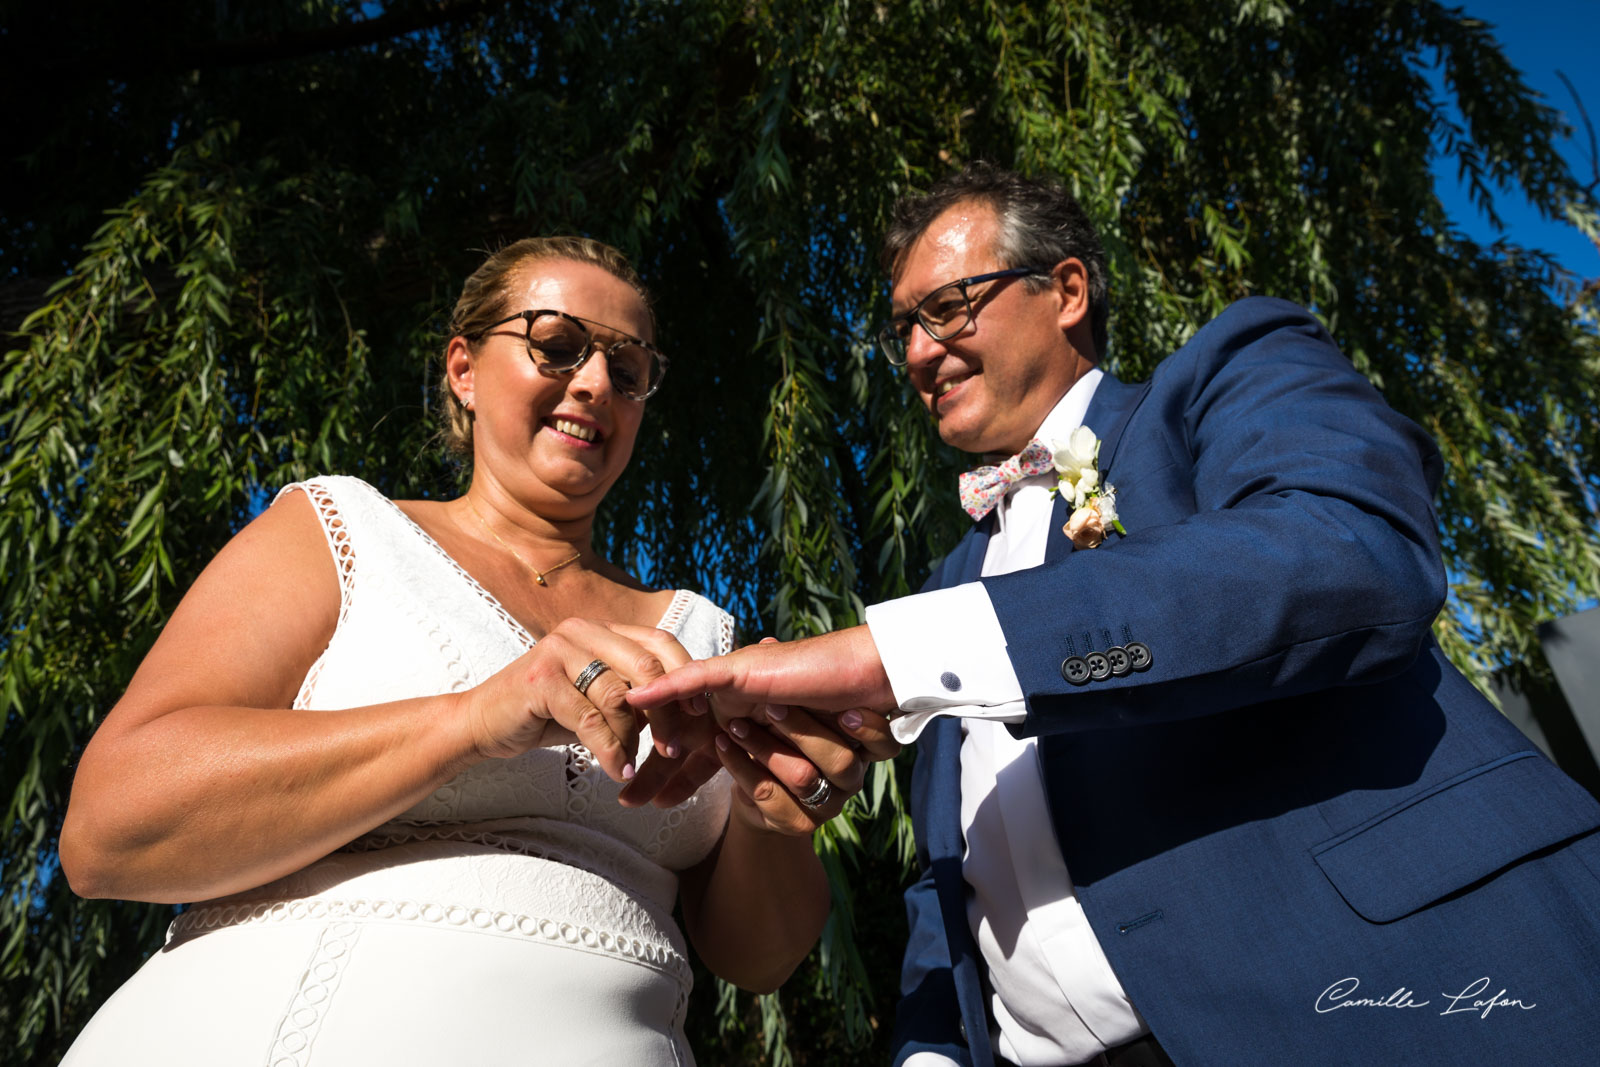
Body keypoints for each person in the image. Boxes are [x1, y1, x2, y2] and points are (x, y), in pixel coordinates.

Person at [627, 165, 1600, 1066]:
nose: (920, 351)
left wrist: (894, 652)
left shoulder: (1225, 375)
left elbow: (1349, 549)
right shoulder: (941, 586)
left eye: (948, 307)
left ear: (1067, 291)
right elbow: (946, 881)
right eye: (903, 329)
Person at [59, 236, 892, 1065]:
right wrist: (473, 718)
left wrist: (770, 810)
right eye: (555, 345)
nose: (596, 382)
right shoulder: (342, 533)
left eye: (628, 369)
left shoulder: (698, 634)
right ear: (463, 368)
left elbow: (760, 958)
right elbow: (108, 829)